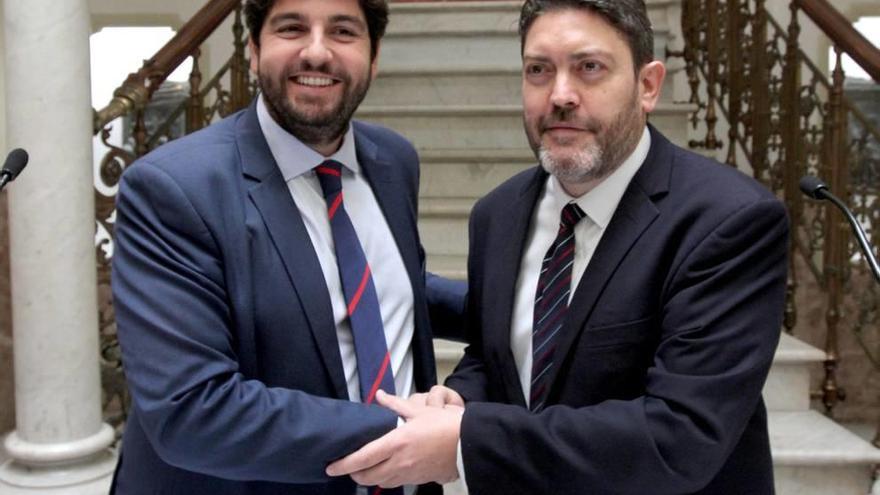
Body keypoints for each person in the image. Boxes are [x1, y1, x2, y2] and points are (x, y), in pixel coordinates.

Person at [326, 0, 789, 493]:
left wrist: (466, 440)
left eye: (589, 68)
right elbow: (493, 359)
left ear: (648, 85)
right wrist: (455, 400)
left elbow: (680, 436)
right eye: (539, 70)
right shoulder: (497, 214)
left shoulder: (728, 221)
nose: (560, 95)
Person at [109, 0, 464, 493]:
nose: (316, 53)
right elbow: (192, 410)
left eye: (343, 31)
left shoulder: (393, 160)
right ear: (253, 50)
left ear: (374, 55)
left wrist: (508, 307)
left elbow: (374, 287)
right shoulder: (172, 189)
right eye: (292, 28)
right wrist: (410, 435)